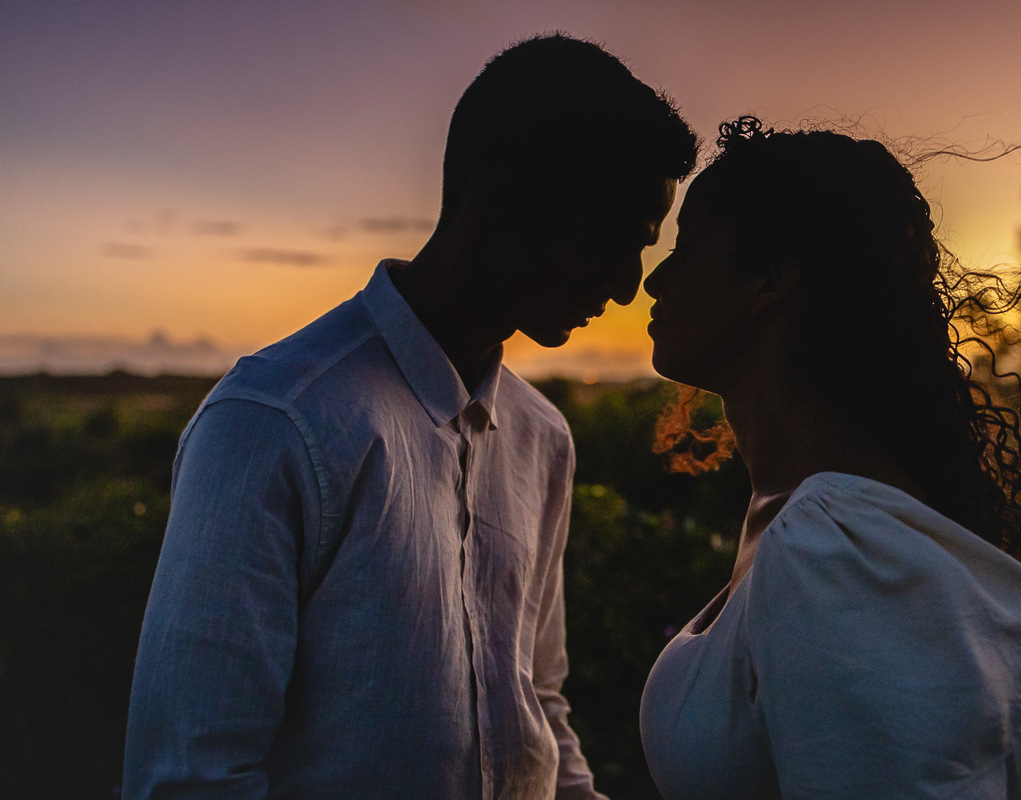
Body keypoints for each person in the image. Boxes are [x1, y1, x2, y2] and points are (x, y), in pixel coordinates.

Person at [123, 34, 697, 799]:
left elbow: (538, 700)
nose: (627, 287)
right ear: (505, 197)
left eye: (642, 250)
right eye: (610, 240)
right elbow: (190, 777)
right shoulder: (272, 424)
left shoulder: (541, 438)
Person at [637, 116, 1021, 799]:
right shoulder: (815, 523)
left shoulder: (840, 550)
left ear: (770, 282)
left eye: (686, 250)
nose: (653, 281)